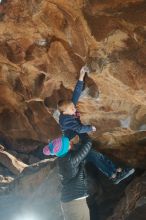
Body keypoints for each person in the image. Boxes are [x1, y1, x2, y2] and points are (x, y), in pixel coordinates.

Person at [57, 66, 135, 184]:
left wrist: (81, 75)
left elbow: (76, 93)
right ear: (64, 112)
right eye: (71, 109)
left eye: (73, 107)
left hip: (79, 139)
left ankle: (115, 172)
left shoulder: (69, 109)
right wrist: (90, 128)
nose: (74, 109)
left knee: (96, 155)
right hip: (73, 145)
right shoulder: (65, 120)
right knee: (94, 156)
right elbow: (78, 128)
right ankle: (114, 175)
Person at [43, 136, 92, 220]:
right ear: (65, 149)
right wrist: (84, 134)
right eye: (68, 143)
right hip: (74, 202)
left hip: (73, 201)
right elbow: (87, 145)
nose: (71, 142)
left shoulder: (63, 159)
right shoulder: (70, 161)